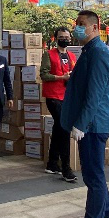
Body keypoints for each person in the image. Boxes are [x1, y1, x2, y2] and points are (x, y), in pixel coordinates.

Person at [59, 10, 109, 218]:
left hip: (93, 125)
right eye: (77, 23)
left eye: (82, 24)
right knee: (96, 175)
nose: (77, 27)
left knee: (93, 177)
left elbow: (94, 94)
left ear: (95, 27)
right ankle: (108, 216)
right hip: (93, 122)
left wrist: (81, 124)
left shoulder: (99, 53)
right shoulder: (90, 51)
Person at [41, 27, 77, 183]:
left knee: (58, 127)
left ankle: (52, 163)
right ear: (56, 38)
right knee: (64, 128)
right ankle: (66, 168)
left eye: (67, 37)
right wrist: (61, 77)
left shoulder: (71, 56)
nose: (65, 39)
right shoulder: (48, 54)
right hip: (53, 96)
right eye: (62, 37)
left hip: (66, 97)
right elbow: (44, 75)